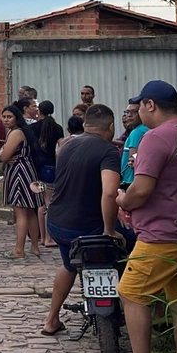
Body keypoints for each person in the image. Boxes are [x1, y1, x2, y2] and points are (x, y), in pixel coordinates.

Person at [104, 81, 177, 353]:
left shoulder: (155, 138)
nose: (136, 113)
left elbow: (142, 189)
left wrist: (123, 201)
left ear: (150, 105)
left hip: (163, 235)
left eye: (139, 107)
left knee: (131, 292)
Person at [42, 104, 126, 336]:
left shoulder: (66, 146)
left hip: (58, 223)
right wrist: (110, 229)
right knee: (134, 243)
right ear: (111, 127)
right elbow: (110, 192)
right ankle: (145, 313)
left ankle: (51, 320)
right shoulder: (108, 151)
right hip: (89, 226)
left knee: (69, 265)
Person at [0, 104, 43, 258]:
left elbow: (3, 156)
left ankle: (19, 249)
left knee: (21, 211)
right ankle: (35, 247)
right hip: (28, 171)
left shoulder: (16, 133)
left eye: (9, 117)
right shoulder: (23, 131)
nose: (5, 120)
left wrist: (3, 153)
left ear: (17, 118)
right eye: (4, 116)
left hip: (18, 173)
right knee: (30, 211)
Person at [29, 100, 64, 248]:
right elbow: (61, 147)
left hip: (36, 168)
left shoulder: (32, 128)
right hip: (51, 167)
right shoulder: (57, 128)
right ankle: (49, 237)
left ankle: (42, 237)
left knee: (40, 203)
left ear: (39, 111)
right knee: (49, 202)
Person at [120, 101, 150, 190]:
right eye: (127, 112)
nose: (129, 115)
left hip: (130, 180)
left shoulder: (137, 132)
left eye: (133, 112)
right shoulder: (145, 129)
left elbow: (132, 161)